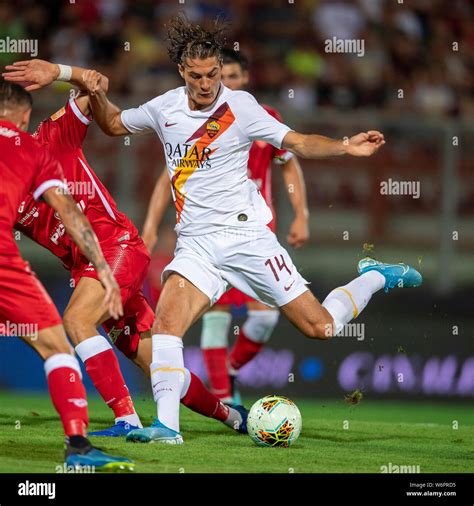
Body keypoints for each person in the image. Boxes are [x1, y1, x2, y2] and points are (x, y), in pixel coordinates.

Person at [83, 14, 422, 445]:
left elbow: (296, 142)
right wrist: (92, 93)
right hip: (197, 245)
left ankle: (376, 275)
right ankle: (167, 428)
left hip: (247, 239)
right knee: (166, 325)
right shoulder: (164, 107)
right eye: (197, 76)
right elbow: (113, 124)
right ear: (182, 72)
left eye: (213, 75)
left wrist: (344, 146)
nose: (207, 84)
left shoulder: (241, 107)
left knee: (319, 327)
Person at [3, 59, 248, 439]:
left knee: (77, 321)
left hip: (116, 249)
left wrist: (59, 72)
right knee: (160, 368)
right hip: (89, 268)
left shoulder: (52, 137)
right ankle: (233, 417)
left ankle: (126, 419)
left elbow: (96, 83)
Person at [141, 48, 310, 404]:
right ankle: (226, 400)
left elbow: (290, 163)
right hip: (207, 233)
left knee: (265, 318)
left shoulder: (261, 116)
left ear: (243, 80)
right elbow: (165, 180)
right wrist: (152, 226)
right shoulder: (193, 122)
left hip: (252, 233)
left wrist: (301, 214)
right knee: (214, 319)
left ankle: (230, 370)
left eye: (229, 77)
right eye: (219, 77)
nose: (217, 85)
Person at [0, 80, 133, 470]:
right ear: (24, 117)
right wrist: (104, 269)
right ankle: (78, 447)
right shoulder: (32, 149)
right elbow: (70, 212)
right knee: (58, 347)